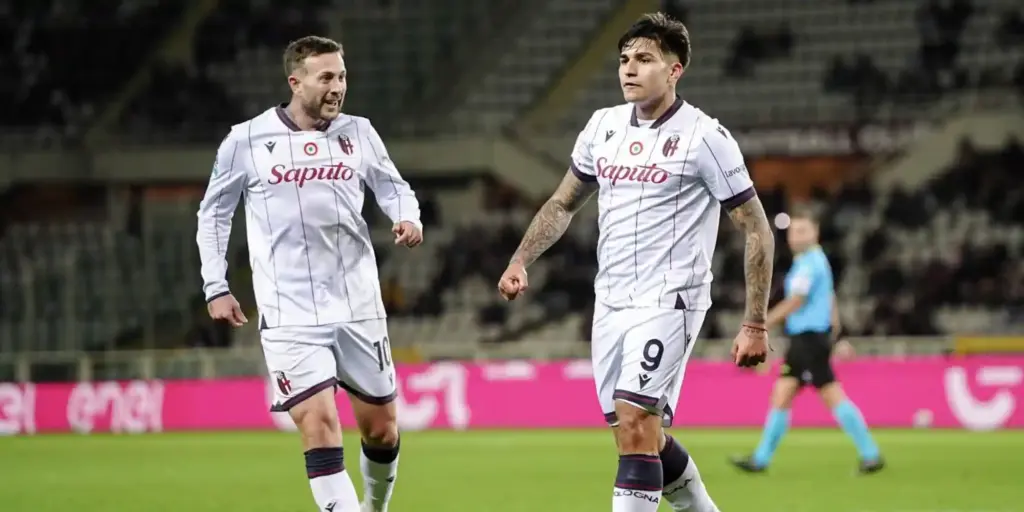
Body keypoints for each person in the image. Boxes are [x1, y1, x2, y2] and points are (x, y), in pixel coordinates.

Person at [497, 13, 775, 512]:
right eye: (623, 59)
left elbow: (755, 227)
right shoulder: (602, 126)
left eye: (644, 59)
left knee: (635, 421)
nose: (629, 69)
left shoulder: (706, 137)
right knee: (637, 436)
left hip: (671, 299)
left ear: (675, 71)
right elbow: (563, 203)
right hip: (612, 302)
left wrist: (754, 321)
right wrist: (521, 259)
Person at [196, 35, 423, 512]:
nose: (338, 86)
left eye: (342, 76)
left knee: (381, 431)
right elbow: (214, 213)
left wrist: (408, 216)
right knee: (320, 426)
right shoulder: (246, 140)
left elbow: (393, 186)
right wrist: (216, 285)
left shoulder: (358, 132)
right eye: (327, 77)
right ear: (295, 82)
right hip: (289, 312)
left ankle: (375, 508)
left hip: (359, 304)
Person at [729, 206, 884, 474]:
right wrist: (835, 335)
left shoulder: (809, 263)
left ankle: (871, 454)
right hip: (809, 339)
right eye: (793, 231)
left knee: (829, 395)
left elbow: (795, 302)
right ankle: (761, 459)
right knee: (784, 393)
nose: (796, 236)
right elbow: (830, 300)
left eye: (802, 230)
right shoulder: (814, 261)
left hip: (809, 339)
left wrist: (759, 323)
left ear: (816, 233)